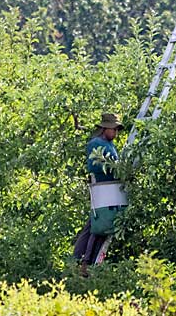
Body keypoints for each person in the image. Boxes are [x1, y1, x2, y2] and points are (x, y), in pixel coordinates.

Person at [73, 112, 123, 276]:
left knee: (95, 225)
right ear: (105, 129)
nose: (115, 133)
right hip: (103, 189)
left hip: (110, 190)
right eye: (113, 129)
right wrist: (116, 168)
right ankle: (84, 262)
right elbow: (96, 166)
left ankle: (80, 260)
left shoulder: (109, 144)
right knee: (98, 226)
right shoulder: (96, 143)